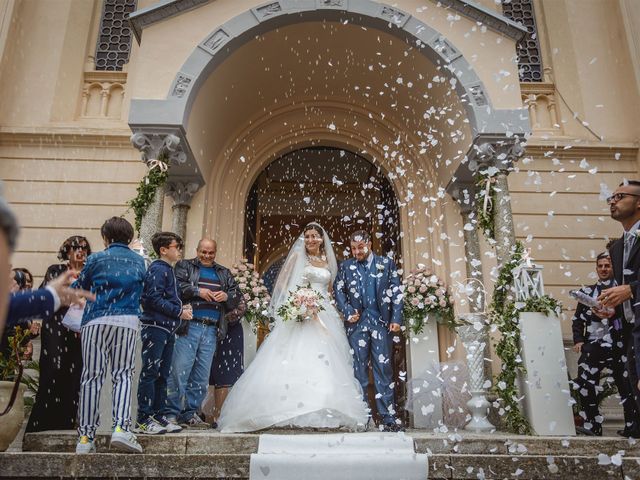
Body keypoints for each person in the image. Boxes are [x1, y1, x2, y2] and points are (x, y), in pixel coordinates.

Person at [217, 223, 368, 433]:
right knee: (294, 356)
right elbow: (281, 285)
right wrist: (299, 302)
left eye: (315, 236)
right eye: (308, 236)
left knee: (326, 360)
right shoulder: (298, 258)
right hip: (301, 313)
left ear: (322, 239)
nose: (311, 240)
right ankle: (285, 409)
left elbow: (331, 290)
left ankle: (324, 411)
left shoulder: (327, 261)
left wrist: (327, 306)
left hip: (324, 314)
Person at [73, 217, 146, 454]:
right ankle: (121, 428)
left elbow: (79, 289)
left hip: (95, 319)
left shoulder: (95, 259)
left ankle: (85, 437)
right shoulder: (138, 261)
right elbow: (143, 291)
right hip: (127, 321)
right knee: (123, 375)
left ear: (106, 237)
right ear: (128, 237)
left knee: (91, 377)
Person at [333, 230, 403, 431]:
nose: (357, 252)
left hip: (381, 323)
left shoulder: (386, 264)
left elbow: (396, 291)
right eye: (354, 248)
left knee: (384, 370)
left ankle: (388, 418)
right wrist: (347, 311)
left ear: (369, 244)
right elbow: (339, 291)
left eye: (360, 248)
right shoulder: (345, 267)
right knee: (359, 371)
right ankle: (362, 417)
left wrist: (396, 319)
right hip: (356, 326)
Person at [167, 238, 240, 428]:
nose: (207, 256)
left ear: (215, 252)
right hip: (189, 326)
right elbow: (177, 287)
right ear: (197, 250)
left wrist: (226, 296)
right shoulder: (184, 266)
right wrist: (198, 291)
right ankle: (171, 413)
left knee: (201, 375)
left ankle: (190, 413)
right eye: (203, 252)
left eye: (211, 253)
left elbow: (235, 295)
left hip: (212, 328)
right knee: (179, 371)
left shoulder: (223, 272)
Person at [26, 235, 92, 433]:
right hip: (56, 326)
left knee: (74, 376)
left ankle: (64, 424)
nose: (79, 251)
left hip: (80, 330)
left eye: (83, 248)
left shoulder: (90, 273)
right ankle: (40, 426)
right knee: (52, 370)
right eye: (75, 248)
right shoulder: (56, 270)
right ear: (67, 251)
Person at [571, 252, 638, 436]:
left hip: (618, 345)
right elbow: (577, 320)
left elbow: (628, 318)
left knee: (626, 384)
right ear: (596, 269)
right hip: (594, 345)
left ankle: (632, 425)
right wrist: (579, 340)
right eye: (600, 266)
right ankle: (592, 424)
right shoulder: (586, 293)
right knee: (585, 382)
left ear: (612, 268)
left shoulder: (620, 291)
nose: (603, 269)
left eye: (607, 266)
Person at [135, 232, 192, 435]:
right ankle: (143, 418)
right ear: (164, 250)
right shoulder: (158, 269)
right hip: (155, 327)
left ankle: (159, 415)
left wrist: (181, 308)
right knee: (151, 373)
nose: (179, 250)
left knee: (162, 374)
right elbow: (151, 298)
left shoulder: (168, 270)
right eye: (176, 246)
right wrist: (178, 311)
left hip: (167, 328)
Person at [599, 180, 640, 437]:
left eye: (620, 196)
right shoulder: (616, 248)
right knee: (632, 386)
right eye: (611, 198)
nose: (613, 201)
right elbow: (621, 288)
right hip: (629, 330)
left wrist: (632, 289)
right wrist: (610, 306)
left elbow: (630, 287)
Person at [207, 296, 246, 426]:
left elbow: (241, 307)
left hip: (229, 330)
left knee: (224, 372)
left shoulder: (232, 287)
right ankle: (202, 414)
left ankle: (217, 415)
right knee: (205, 371)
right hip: (206, 328)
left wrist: (221, 318)